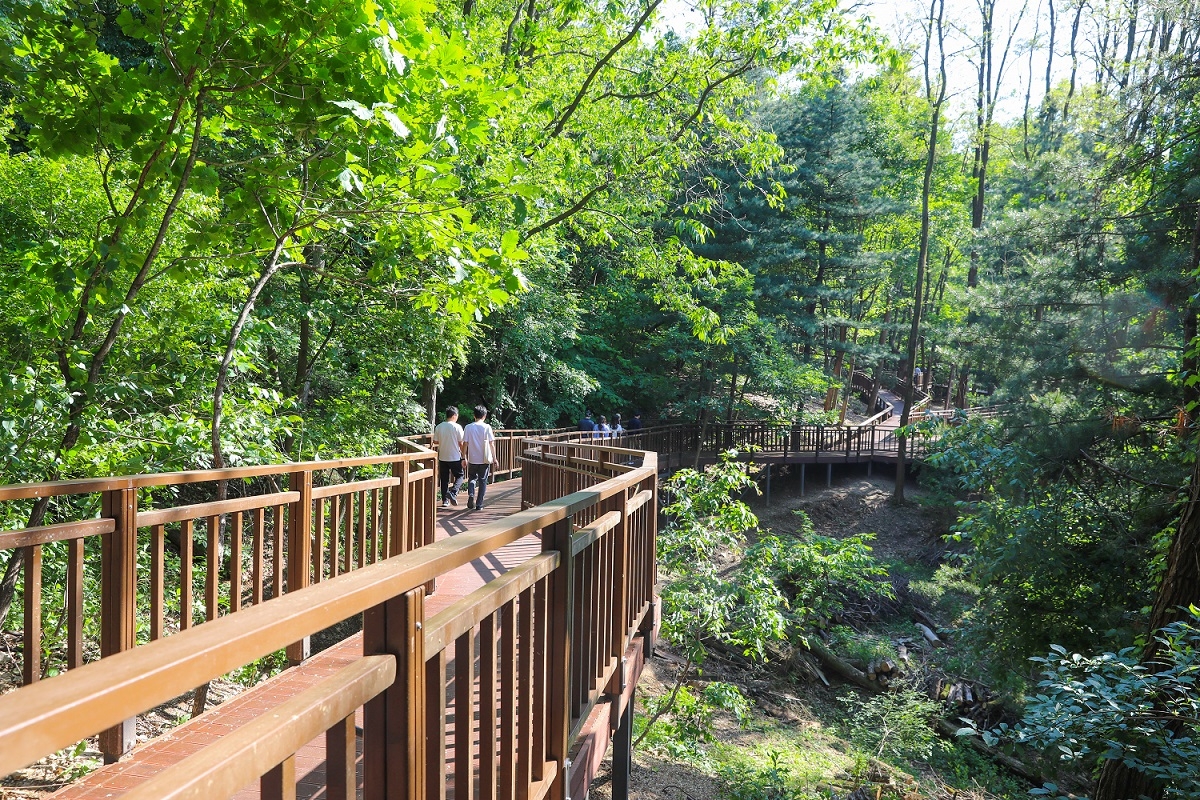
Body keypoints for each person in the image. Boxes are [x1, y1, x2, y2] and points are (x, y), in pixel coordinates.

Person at [463, 405, 498, 511]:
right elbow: (492, 444)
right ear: (485, 416)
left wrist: (463, 457)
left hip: (472, 458)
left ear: (474, 415)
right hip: (484, 459)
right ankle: (479, 504)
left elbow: (465, 443)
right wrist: (495, 458)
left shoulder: (468, 427)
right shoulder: (487, 427)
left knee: (472, 478)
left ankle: (471, 494)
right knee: (483, 481)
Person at [432, 406, 466, 507]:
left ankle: (445, 501)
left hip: (442, 456)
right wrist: (464, 456)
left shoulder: (439, 426)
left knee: (444, 479)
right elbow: (461, 443)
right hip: (455, 456)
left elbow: (435, 441)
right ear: (454, 416)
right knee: (460, 476)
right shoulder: (457, 427)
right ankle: (453, 492)